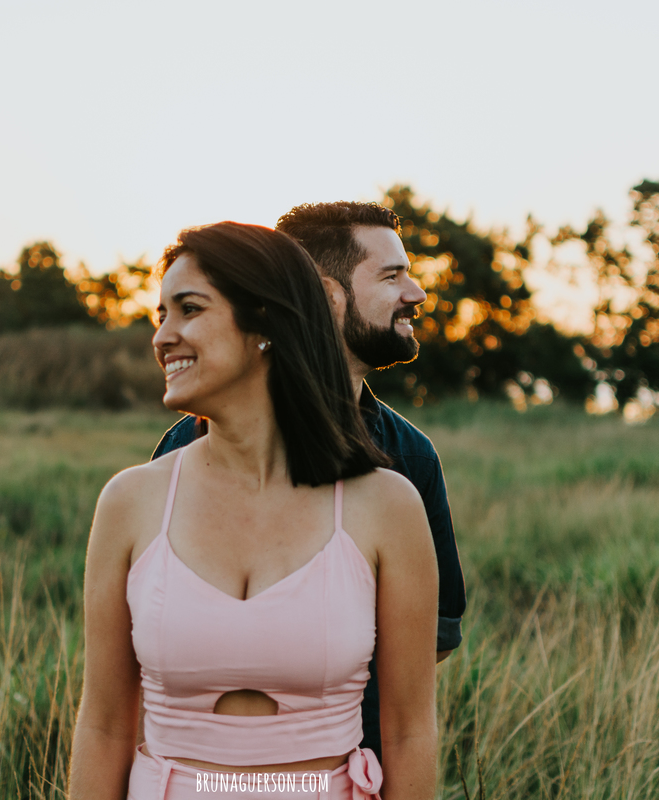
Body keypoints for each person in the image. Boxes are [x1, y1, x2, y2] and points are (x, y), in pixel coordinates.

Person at [69, 222, 438, 799]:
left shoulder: (386, 505)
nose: (162, 337)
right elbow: (104, 726)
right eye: (160, 315)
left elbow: (411, 731)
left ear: (265, 320)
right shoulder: (131, 502)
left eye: (188, 309)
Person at [152, 202, 466, 760]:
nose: (415, 293)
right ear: (325, 295)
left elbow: (432, 640)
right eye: (392, 276)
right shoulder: (186, 447)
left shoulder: (408, 458)